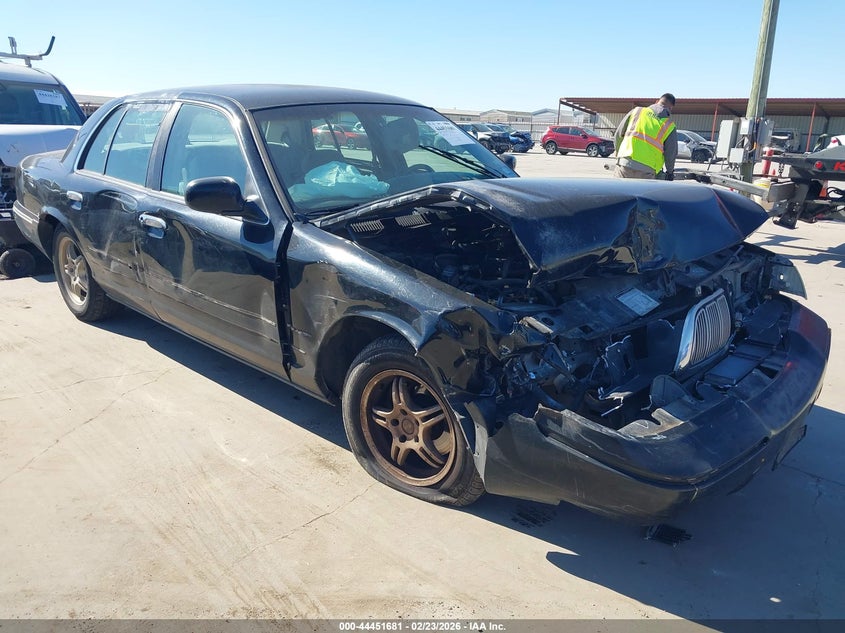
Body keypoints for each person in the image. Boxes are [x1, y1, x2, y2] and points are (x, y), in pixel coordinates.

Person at [613, 93, 678, 180]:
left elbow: (618, 135)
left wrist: (619, 154)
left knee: (619, 188)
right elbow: (670, 153)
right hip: (647, 170)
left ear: (656, 102)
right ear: (671, 108)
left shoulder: (636, 111)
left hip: (625, 163)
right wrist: (670, 172)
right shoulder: (669, 125)